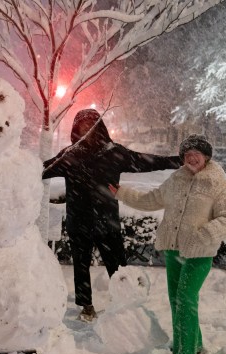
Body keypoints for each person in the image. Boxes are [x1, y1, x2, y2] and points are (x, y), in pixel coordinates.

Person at [109, 134, 226, 354]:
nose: (191, 158)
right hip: (173, 249)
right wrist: (121, 193)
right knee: (176, 300)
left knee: (185, 299)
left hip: (199, 252)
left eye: (196, 155)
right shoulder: (175, 180)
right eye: (187, 155)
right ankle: (192, 343)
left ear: (206, 157)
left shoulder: (218, 184)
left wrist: (204, 235)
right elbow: (151, 200)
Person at [42, 109, 182, 322]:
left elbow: (147, 161)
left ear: (99, 127)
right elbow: (42, 170)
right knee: (81, 265)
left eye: (91, 125)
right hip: (78, 220)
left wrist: (178, 161)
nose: (86, 129)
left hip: (106, 221)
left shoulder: (114, 153)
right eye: (82, 126)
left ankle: (124, 302)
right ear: (76, 128)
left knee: (117, 265)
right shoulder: (70, 154)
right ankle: (86, 306)